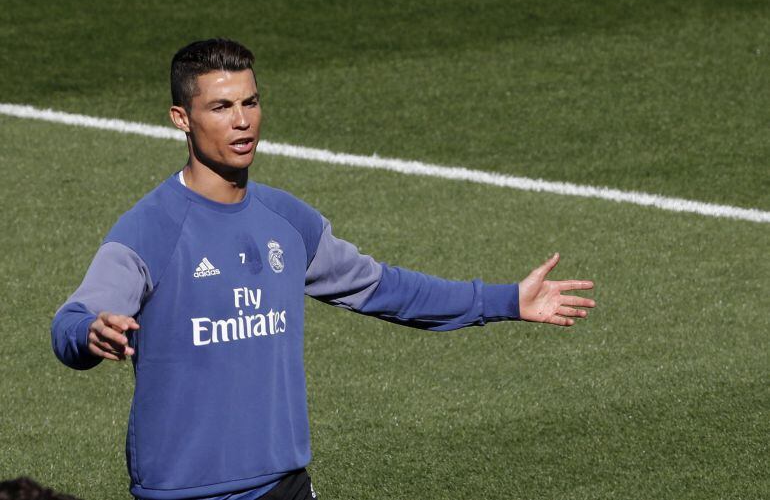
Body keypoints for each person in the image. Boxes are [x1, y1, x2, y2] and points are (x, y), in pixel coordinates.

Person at [51, 38, 596, 500]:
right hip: (185, 491)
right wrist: (89, 332)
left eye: (251, 102)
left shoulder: (288, 221)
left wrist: (503, 301)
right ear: (181, 118)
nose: (242, 121)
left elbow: (385, 288)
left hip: (283, 484)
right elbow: (72, 319)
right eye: (221, 107)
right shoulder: (151, 229)